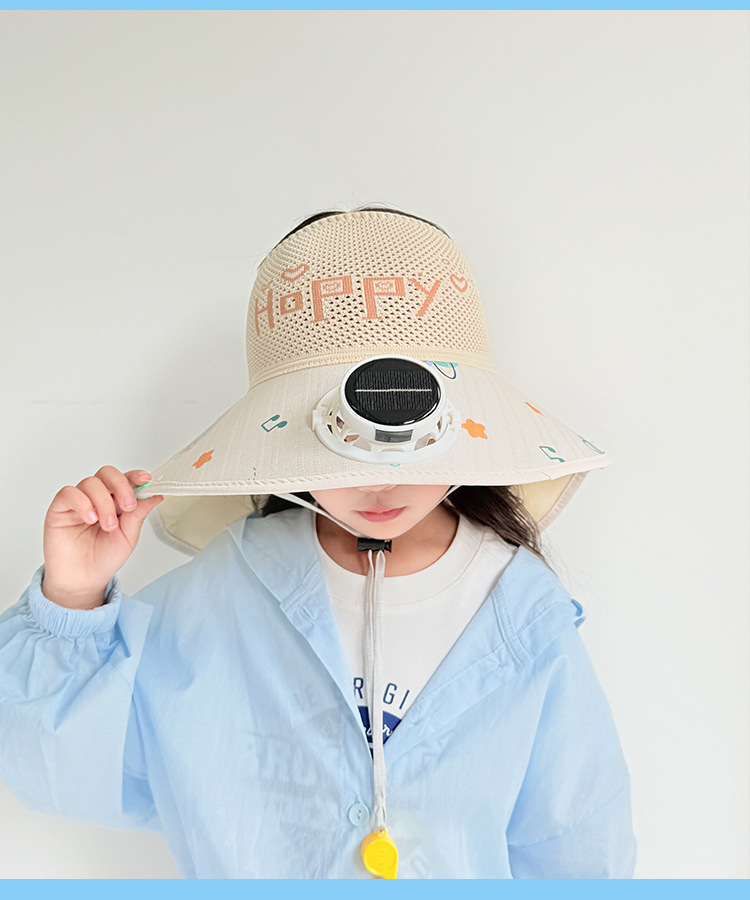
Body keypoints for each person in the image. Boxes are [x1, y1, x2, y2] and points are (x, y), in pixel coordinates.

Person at [0, 206, 636, 878]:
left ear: (459, 423)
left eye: (407, 432)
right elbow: (57, 773)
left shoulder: (522, 615)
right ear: (282, 438)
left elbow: (579, 845)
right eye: (338, 440)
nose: (377, 478)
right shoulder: (221, 596)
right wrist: (71, 600)